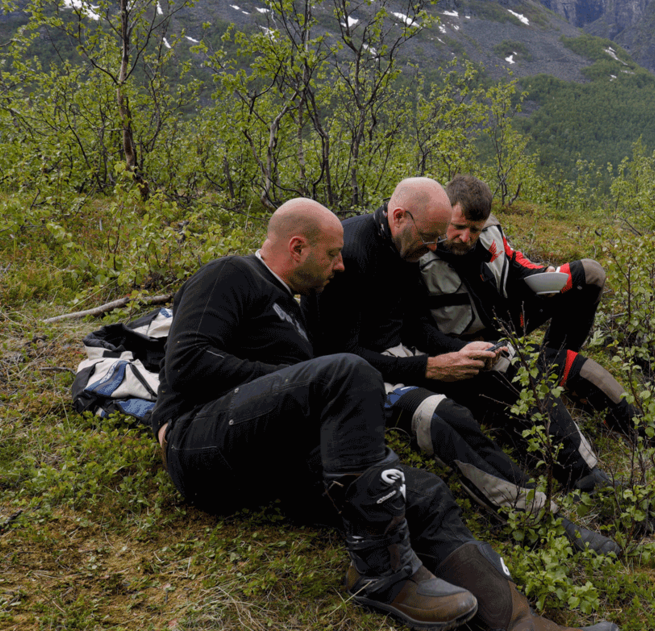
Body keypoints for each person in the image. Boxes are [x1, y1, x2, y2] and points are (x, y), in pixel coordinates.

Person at [154, 197, 616, 631]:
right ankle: (380, 571)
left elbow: (305, 389)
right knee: (347, 370)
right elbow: (187, 362)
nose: (340, 264)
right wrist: (293, 380)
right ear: (297, 247)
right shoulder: (231, 275)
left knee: (422, 494)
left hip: (273, 460)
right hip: (198, 446)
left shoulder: (291, 313)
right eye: (333, 254)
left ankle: (522, 623)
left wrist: (303, 388)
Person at [304, 180, 615, 527]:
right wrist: (430, 368)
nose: (436, 246)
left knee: (511, 368)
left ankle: (588, 476)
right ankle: (545, 521)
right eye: (430, 237)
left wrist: (463, 350)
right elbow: (341, 357)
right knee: (444, 417)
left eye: (439, 236)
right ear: (399, 216)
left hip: (405, 357)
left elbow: (415, 325)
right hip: (364, 378)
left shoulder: (409, 247)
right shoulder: (348, 255)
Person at [420, 175, 642, 438]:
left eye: (475, 230)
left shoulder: (491, 232)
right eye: (458, 227)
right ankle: (646, 434)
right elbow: (415, 328)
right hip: (472, 348)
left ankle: (552, 358)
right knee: (578, 368)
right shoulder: (420, 253)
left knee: (590, 274)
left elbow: (515, 263)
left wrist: (547, 274)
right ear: (445, 212)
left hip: (506, 320)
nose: (466, 237)